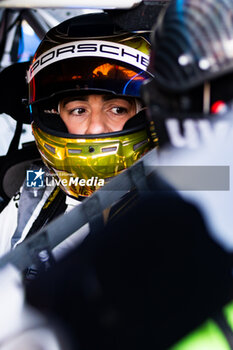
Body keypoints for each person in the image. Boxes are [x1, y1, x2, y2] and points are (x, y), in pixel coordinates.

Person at [0, 12, 153, 269]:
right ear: (52, 117)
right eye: (79, 110)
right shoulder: (34, 191)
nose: (95, 127)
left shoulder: (177, 193)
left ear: (142, 115)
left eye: (116, 109)